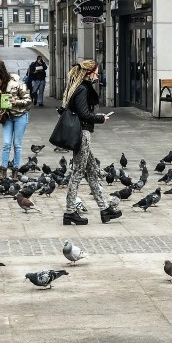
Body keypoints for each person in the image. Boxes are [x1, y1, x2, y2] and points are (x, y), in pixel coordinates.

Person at [61, 60, 122, 225]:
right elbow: (84, 115)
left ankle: (105, 210)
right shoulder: (82, 89)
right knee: (78, 173)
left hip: (83, 133)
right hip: (82, 134)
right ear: (89, 73)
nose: (98, 74)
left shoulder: (78, 87)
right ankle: (70, 212)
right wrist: (101, 118)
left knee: (93, 171)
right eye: (96, 71)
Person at [0, 65, 31, 179]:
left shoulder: (18, 83)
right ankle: (3, 170)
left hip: (20, 116)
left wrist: (16, 101)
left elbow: (28, 100)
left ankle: (15, 170)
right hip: (7, 116)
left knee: (17, 144)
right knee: (6, 144)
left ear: (2, 77)